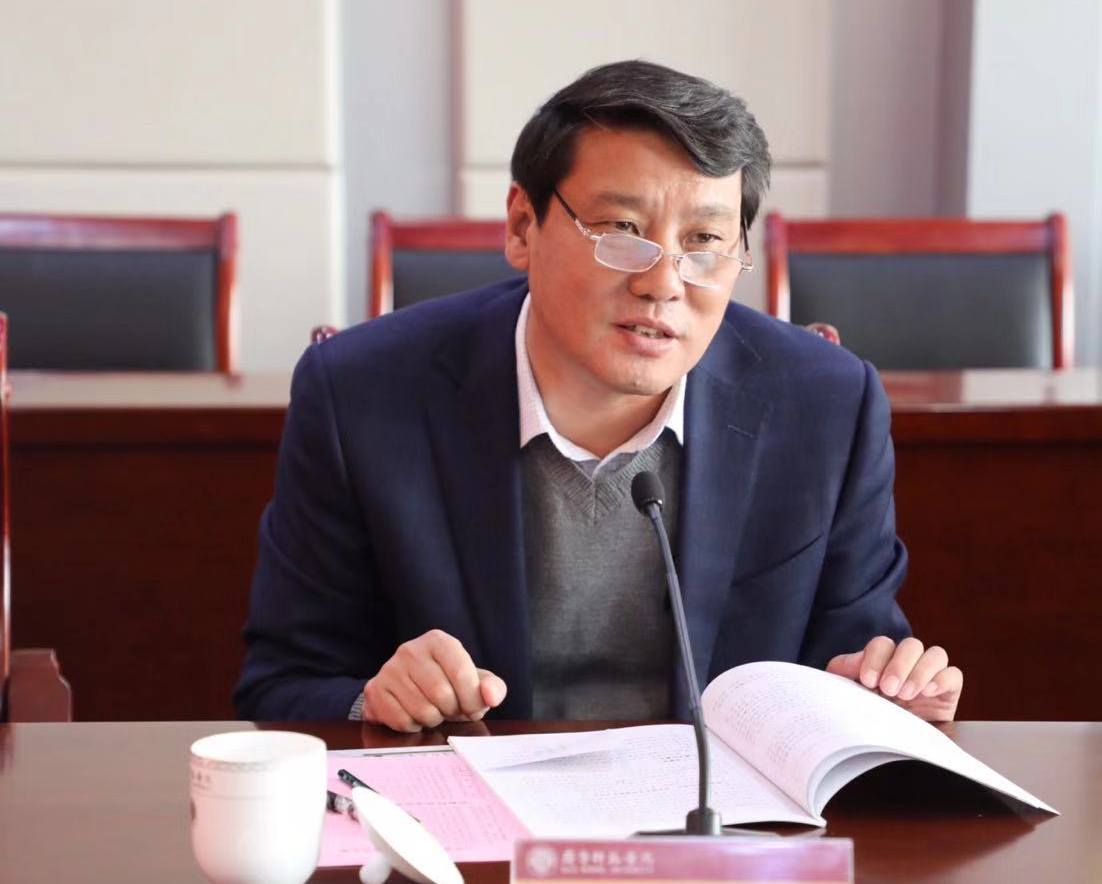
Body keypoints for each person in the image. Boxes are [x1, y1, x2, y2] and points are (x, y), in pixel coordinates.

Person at [235, 60, 963, 730]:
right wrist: (373, 699)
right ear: (522, 226)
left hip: (721, 818)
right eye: (622, 230)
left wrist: (890, 694)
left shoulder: (826, 405)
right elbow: (283, 684)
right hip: (475, 815)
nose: (663, 282)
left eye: (705, 242)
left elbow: (856, 658)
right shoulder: (361, 395)